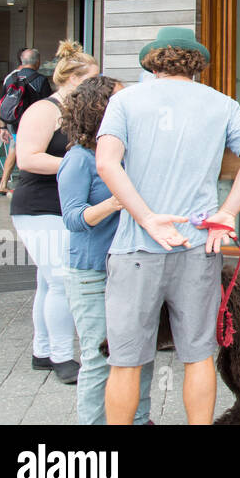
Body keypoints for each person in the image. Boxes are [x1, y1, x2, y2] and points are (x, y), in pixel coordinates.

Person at [96, 27, 240, 425]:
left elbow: (106, 163)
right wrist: (226, 213)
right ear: (197, 64)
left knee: (125, 362)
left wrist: (146, 217)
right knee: (197, 356)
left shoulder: (125, 101)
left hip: (137, 247)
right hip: (198, 245)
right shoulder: (221, 103)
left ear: (153, 61)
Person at [58, 76, 153, 425]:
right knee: (100, 357)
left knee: (139, 353)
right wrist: (116, 202)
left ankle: (139, 419)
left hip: (132, 268)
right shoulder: (80, 159)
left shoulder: (125, 154)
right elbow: (72, 218)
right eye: (118, 100)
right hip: (92, 273)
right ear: (100, 108)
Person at [12, 40, 96, 385]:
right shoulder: (43, 110)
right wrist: (75, 166)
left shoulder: (75, 111)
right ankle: (62, 356)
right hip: (38, 206)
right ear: (73, 78)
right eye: (91, 78)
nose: (95, 84)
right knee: (61, 279)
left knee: (49, 281)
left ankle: (43, 351)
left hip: (62, 206)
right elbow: (27, 158)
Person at [0, 48, 52, 196]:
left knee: (15, 149)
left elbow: (2, 103)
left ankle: (3, 183)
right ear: (38, 62)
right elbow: (47, 105)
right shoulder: (40, 80)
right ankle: (26, 184)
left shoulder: (10, 78)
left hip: (13, 123)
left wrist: (2, 125)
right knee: (31, 152)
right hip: (33, 124)